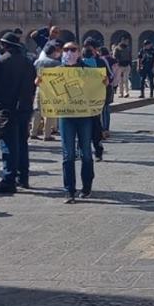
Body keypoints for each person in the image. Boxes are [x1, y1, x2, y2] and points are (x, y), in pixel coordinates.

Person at [0, 31, 37, 192]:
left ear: (5, 45)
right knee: (22, 143)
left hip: (5, 107)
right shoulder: (29, 62)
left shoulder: (0, 61)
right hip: (24, 107)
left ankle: (8, 180)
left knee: (8, 145)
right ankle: (23, 177)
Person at [55, 41, 107, 202]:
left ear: (79, 52)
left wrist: (103, 83)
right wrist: (39, 83)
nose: (69, 52)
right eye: (66, 49)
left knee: (85, 152)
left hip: (85, 117)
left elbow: (99, 87)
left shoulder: (88, 71)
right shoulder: (56, 72)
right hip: (66, 117)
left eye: (72, 49)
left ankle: (86, 187)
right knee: (68, 154)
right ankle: (69, 190)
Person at [34, 41, 62, 141]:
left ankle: (33, 132)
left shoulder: (37, 62)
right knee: (49, 111)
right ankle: (47, 134)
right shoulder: (56, 63)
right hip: (51, 89)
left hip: (39, 87)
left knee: (37, 110)